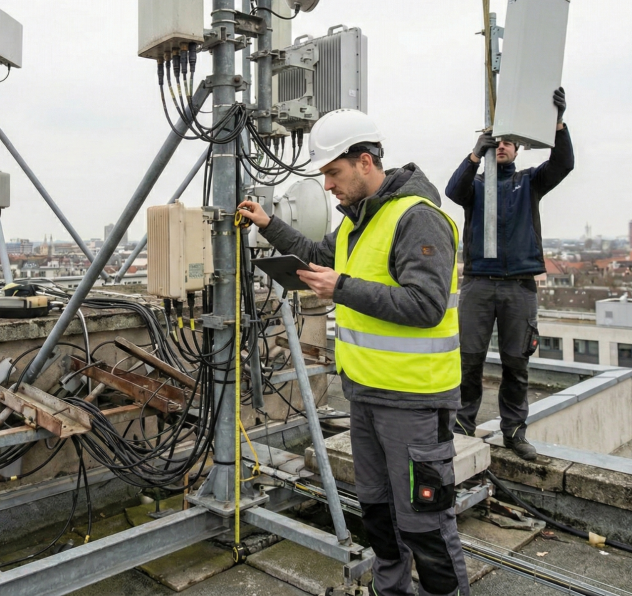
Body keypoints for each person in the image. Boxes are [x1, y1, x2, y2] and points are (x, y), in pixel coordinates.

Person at [238, 109, 469, 596]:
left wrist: (342, 287)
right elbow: (317, 256)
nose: (326, 186)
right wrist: (268, 224)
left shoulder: (418, 219)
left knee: (424, 524)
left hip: (414, 399)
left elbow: (425, 305)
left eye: (332, 173)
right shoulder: (354, 225)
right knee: (380, 518)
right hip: (365, 396)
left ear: (365, 162)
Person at [445, 88, 574, 460]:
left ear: (518, 149)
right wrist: (473, 153)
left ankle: (514, 432)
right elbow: (454, 191)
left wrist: (558, 123)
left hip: (519, 287)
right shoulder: (477, 187)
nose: (501, 147)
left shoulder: (529, 182)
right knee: (468, 361)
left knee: (516, 364)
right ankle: (462, 427)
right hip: (478, 286)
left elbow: (563, 164)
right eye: (496, 142)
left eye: (507, 143)